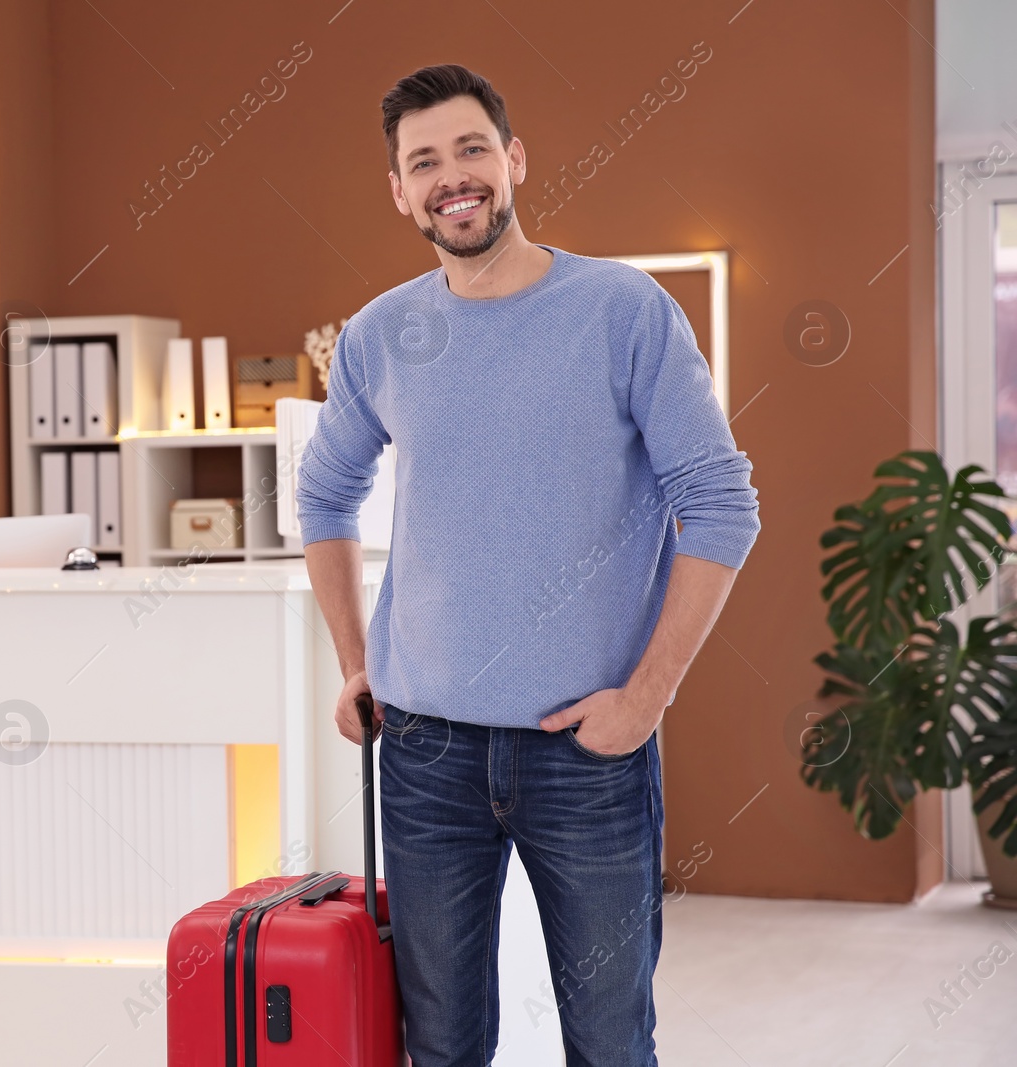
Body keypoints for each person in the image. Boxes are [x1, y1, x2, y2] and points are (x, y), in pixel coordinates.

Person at [296, 64, 761, 1066]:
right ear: (397, 190)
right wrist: (355, 659)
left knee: (606, 1040)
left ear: (512, 159)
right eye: (422, 162)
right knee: (443, 1045)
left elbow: (720, 504)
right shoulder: (381, 334)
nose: (451, 177)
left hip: (584, 755)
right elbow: (322, 496)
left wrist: (646, 696)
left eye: (470, 149)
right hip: (424, 753)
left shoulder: (622, 310)